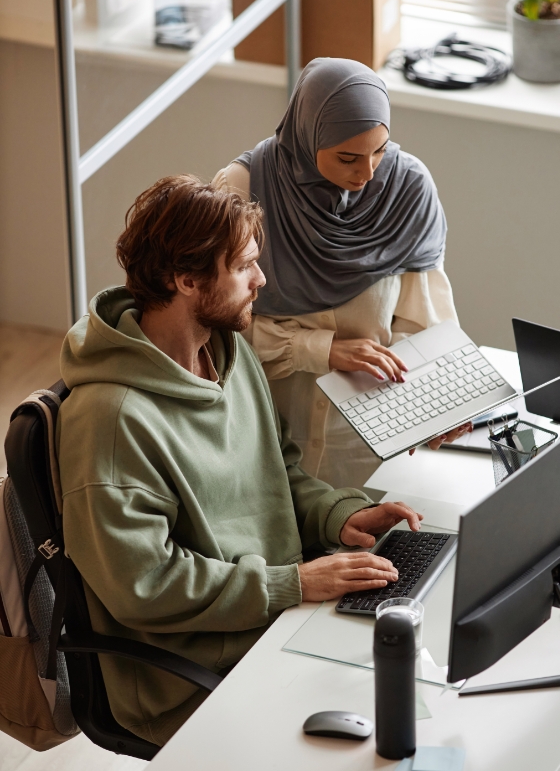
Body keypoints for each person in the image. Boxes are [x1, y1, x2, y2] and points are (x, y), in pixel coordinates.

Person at [56, 175, 423, 746]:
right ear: (186, 280)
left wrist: (338, 515)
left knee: (418, 673)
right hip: (193, 673)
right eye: (245, 266)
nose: (262, 280)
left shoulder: (228, 354)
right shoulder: (110, 420)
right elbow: (144, 583)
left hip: (275, 614)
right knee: (382, 725)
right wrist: (290, 584)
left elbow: (281, 470)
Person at [212, 58, 470, 490]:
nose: (367, 172)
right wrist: (319, 350)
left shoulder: (408, 191)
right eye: (347, 157)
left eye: (379, 150)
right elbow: (216, 332)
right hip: (264, 435)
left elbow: (425, 326)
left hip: (369, 446)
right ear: (308, 133)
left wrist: (436, 406)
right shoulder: (244, 189)